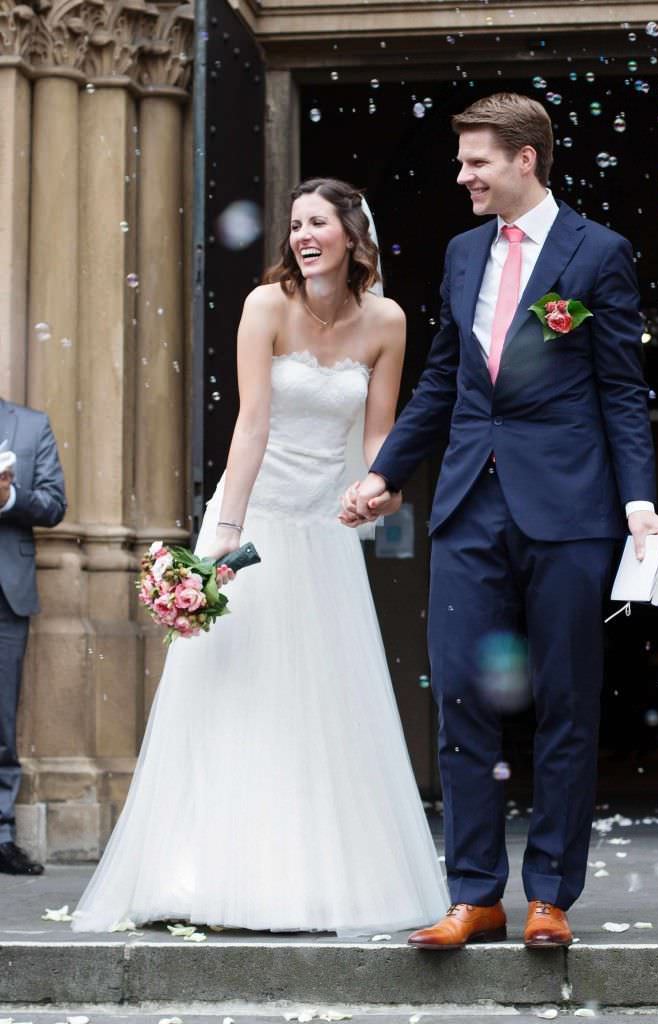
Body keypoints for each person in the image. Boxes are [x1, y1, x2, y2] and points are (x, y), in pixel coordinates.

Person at [341, 93, 658, 949]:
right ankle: (476, 894)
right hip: (467, 506)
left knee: (565, 702)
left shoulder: (599, 253)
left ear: (526, 159)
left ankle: (551, 895)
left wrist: (638, 500)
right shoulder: (461, 254)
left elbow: (620, 390)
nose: (463, 177)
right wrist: (383, 473)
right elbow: (444, 381)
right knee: (458, 695)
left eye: (476, 161)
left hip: (569, 512)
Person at [72, 178, 448, 934]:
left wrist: (384, 488)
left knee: (322, 704)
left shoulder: (386, 321)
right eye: (296, 224)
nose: (304, 235)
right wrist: (221, 541)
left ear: (352, 235)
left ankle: (318, 878)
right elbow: (250, 427)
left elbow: (379, 436)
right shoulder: (265, 306)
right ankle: (204, 874)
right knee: (236, 697)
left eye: (319, 223)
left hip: (326, 533)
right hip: (257, 521)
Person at [0, 399, 66, 875]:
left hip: (7, 595)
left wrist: (7, 497)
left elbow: (54, 504)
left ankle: (0, 834)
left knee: (2, 721)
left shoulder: (31, 425)